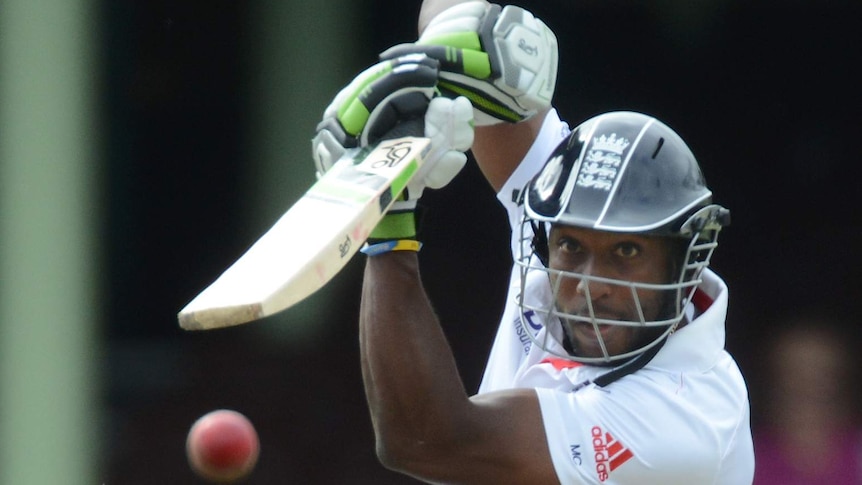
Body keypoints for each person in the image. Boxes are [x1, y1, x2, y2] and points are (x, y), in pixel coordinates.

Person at [312, 1, 754, 483]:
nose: (589, 285)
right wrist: (446, 58)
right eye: (571, 248)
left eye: (626, 252)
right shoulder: (553, 220)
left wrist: (389, 218)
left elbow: (426, 441)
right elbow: (448, 8)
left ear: (684, 263)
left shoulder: (687, 424)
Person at [753, 321, 862, 484]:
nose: (807, 384)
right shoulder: (748, 454)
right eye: (795, 372)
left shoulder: (857, 451)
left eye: (820, 373)